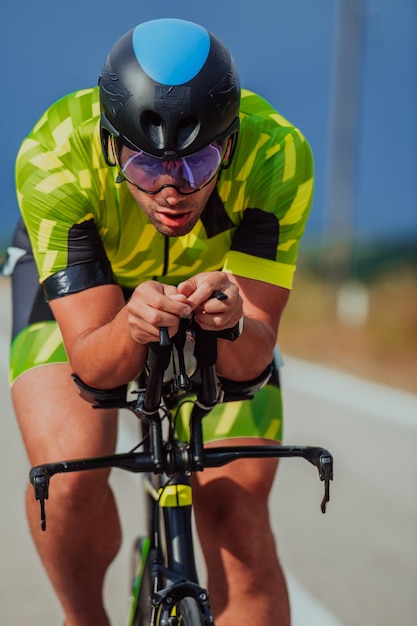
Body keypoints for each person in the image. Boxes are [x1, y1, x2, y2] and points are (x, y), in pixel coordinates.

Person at [9, 17, 313, 626]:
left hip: (213, 290)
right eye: (147, 169)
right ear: (109, 144)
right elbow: (94, 369)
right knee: (69, 476)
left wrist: (230, 323)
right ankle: (84, 618)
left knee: (240, 523)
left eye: (197, 166)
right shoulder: (54, 154)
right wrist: (125, 326)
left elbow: (250, 361)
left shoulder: (277, 153)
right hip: (88, 296)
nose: (172, 190)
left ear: (229, 146)